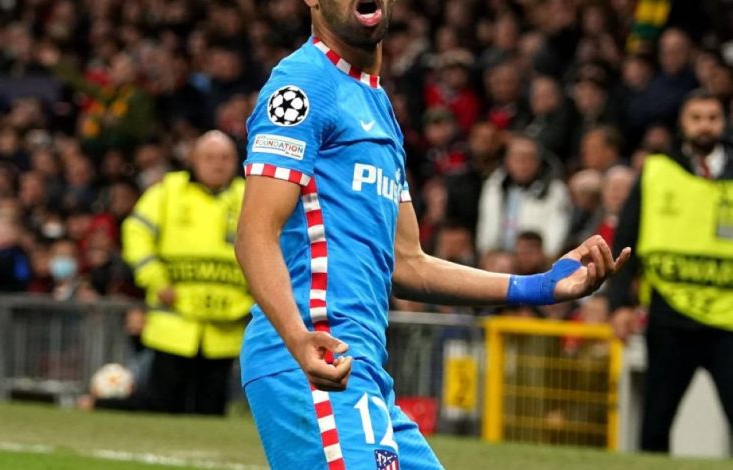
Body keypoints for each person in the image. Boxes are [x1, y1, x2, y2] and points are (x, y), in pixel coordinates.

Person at [235, 2, 630, 469]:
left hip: (361, 367)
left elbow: (409, 263)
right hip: (314, 356)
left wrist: (540, 286)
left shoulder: (377, 104)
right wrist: (297, 337)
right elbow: (254, 234)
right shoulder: (302, 84)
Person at [608, 90, 733, 453]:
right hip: (669, 316)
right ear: (682, 123)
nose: (705, 126)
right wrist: (619, 304)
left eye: (712, 117)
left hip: (729, 321)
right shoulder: (656, 171)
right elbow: (626, 240)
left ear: (723, 122)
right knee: (656, 423)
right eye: (696, 118)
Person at [121, 131, 251, 415]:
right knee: (162, 410)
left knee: (211, 414)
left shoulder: (250, 196)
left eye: (225, 158)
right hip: (173, 327)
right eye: (209, 157)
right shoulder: (168, 191)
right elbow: (135, 232)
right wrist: (155, 279)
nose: (217, 164)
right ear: (194, 159)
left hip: (225, 328)